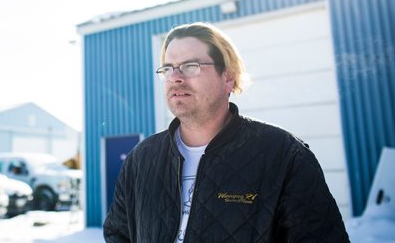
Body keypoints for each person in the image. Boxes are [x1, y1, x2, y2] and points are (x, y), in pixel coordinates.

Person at [103, 22, 349, 242]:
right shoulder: (142, 159)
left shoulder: (283, 156)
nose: (175, 77)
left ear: (228, 78)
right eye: (167, 68)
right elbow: (118, 234)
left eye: (190, 66)